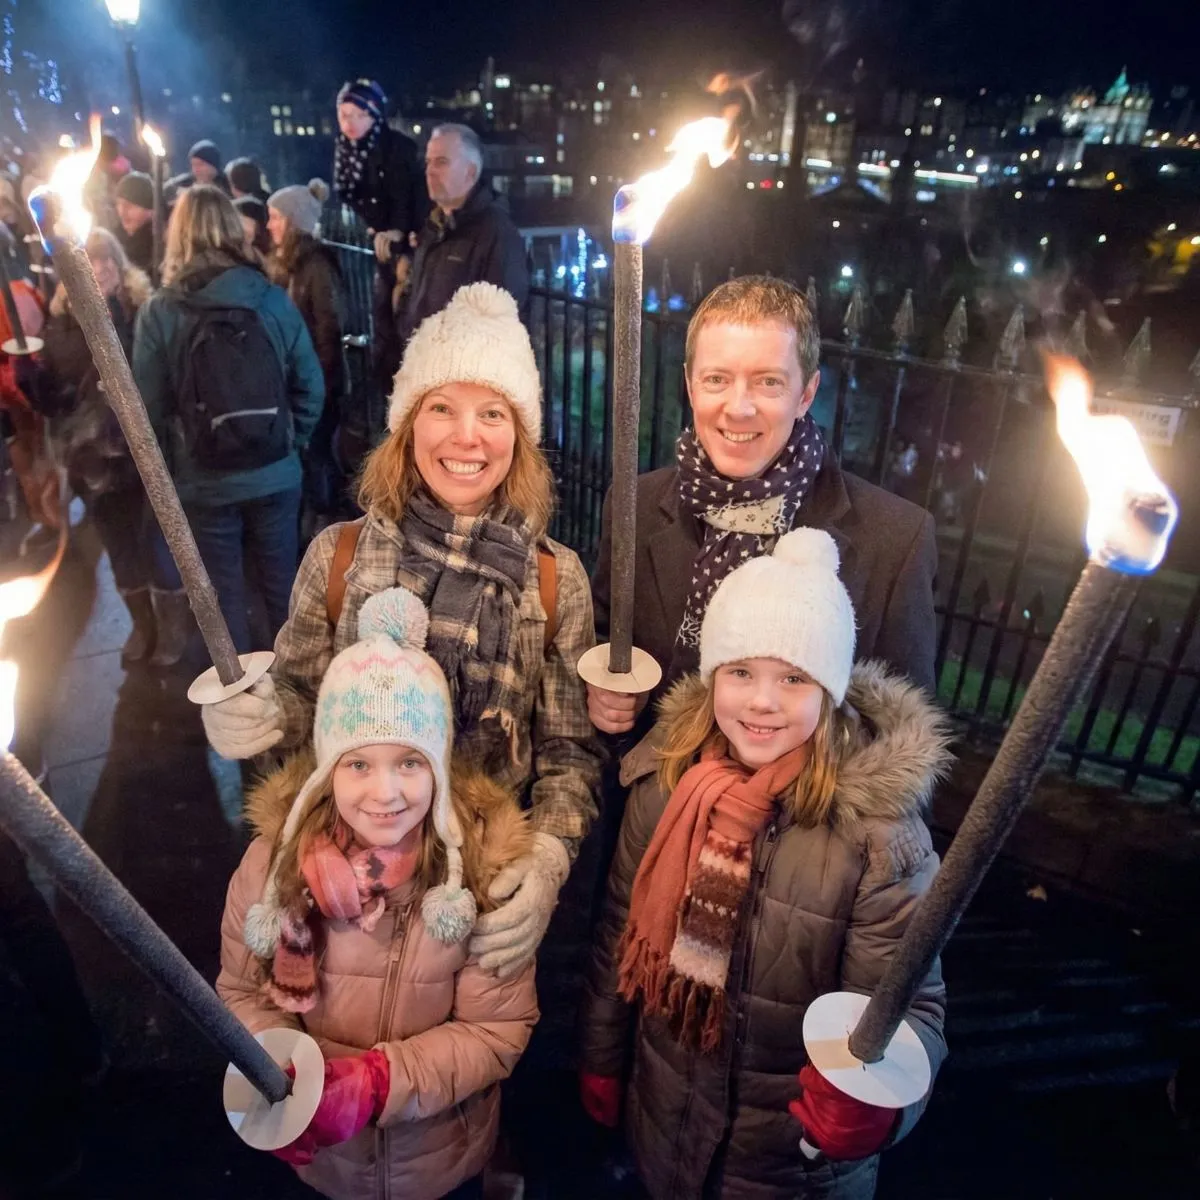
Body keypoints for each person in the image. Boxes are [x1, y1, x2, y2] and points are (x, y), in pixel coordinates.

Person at [200, 282, 602, 980]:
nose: (466, 436)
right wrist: (259, 712)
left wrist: (546, 863)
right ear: (407, 425)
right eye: (440, 408)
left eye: (493, 413)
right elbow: (300, 699)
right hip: (344, 877)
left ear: (522, 435)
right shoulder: (342, 555)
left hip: (473, 892)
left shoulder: (553, 578)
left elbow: (569, 754)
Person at [579, 528, 951, 1199]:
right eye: (741, 671)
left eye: (794, 678)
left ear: (829, 691)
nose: (762, 701)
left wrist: (881, 1107)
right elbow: (618, 935)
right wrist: (603, 1057)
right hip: (664, 1118)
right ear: (713, 675)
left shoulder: (877, 840)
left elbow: (910, 1006)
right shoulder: (668, 785)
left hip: (791, 1165)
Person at [218, 585, 539, 1198]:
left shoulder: (478, 877)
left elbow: (498, 1031)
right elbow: (240, 991)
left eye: (410, 763)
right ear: (325, 771)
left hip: (440, 1159)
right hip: (324, 1163)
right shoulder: (272, 872)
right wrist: (276, 1067)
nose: (385, 793)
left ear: (439, 767)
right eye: (358, 764)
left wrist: (379, 1083)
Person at [588, 275, 939, 740]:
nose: (738, 407)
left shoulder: (894, 540)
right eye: (717, 379)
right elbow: (603, 635)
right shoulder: (637, 503)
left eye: (768, 382)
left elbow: (907, 738)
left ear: (806, 394)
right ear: (691, 387)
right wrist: (600, 690)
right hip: (650, 800)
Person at [132, 184, 324, 658]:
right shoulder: (272, 299)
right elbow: (311, 386)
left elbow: (146, 411)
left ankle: (240, 715)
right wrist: (290, 442)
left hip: (205, 481)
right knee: (282, 589)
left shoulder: (160, 311)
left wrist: (178, 468)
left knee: (224, 600)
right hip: (276, 473)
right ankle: (292, 700)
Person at [39, 228, 179, 664]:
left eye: (106, 263)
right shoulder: (61, 325)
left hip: (142, 451)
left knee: (157, 540)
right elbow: (55, 399)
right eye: (88, 263)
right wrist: (33, 378)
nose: (98, 271)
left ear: (121, 268)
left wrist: (112, 318)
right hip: (92, 458)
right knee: (119, 546)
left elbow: (159, 376)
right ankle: (142, 624)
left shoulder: (141, 313)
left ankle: (173, 629)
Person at [332, 78, 426, 388]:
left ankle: (401, 383)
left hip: (404, 240)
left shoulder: (395, 147)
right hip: (381, 238)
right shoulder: (346, 150)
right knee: (382, 312)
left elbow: (403, 193)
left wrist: (398, 230)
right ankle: (386, 385)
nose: (350, 123)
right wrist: (373, 225)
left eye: (359, 115)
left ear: (374, 115)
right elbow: (350, 194)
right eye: (344, 115)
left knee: (399, 311)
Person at [401, 125, 529, 348]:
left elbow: (500, 326)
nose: (429, 171)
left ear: (470, 172)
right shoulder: (433, 226)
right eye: (428, 162)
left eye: (441, 162)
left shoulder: (496, 233)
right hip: (422, 369)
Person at [267, 179, 349, 529]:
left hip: (318, 381)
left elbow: (328, 327)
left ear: (292, 222)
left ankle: (328, 520)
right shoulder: (290, 265)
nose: (269, 224)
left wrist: (320, 382)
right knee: (311, 453)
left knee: (317, 453)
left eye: (275, 217)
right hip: (301, 378)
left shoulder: (315, 266)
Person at [113, 171, 156, 275]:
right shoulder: (115, 242)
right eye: (119, 204)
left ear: (151, 211)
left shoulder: (157, 248)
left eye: (129, 206)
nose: (122, 212)